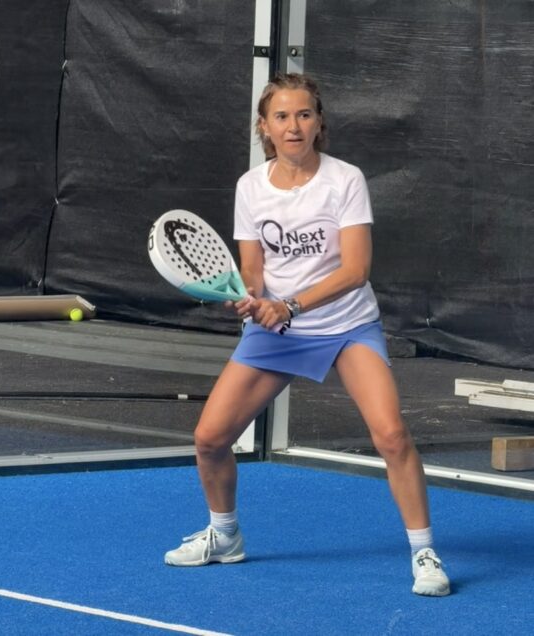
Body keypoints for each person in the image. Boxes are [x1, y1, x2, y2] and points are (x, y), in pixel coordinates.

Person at [164, 73, 450, 597]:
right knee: (209, 439)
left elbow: (355, 270)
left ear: (319, 123)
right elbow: (253, 269)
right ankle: (225, 535)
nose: (293, 126)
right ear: (264, 127)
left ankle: (424, 552)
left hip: (346, 325)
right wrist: (250, 296)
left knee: (391, 434)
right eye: (281, 116)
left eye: (303, 115)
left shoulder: (345, 180)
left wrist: (289, 304)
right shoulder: (250, 187)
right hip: (276, 331)